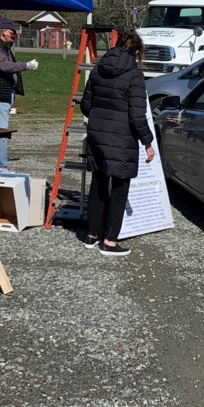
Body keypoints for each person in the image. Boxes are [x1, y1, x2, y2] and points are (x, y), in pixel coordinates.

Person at [80, 29, 156, 256]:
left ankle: (92, 235)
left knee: (99, 182)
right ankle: (110, 241)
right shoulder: (134, 75)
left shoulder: (98, 68)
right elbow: (137, 116)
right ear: (136, 51)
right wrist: (148, 142)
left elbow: (86, 105)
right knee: (120, 187)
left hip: (97, 133)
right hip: (122, 137)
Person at [0, 18, 38, 172]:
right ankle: (0, 166)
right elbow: (5, 66)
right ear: (3, 31)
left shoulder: (2, 46)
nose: (14, 36)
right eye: (12, 33)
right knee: (1, 132)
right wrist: (27, 65)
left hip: (1, 92)